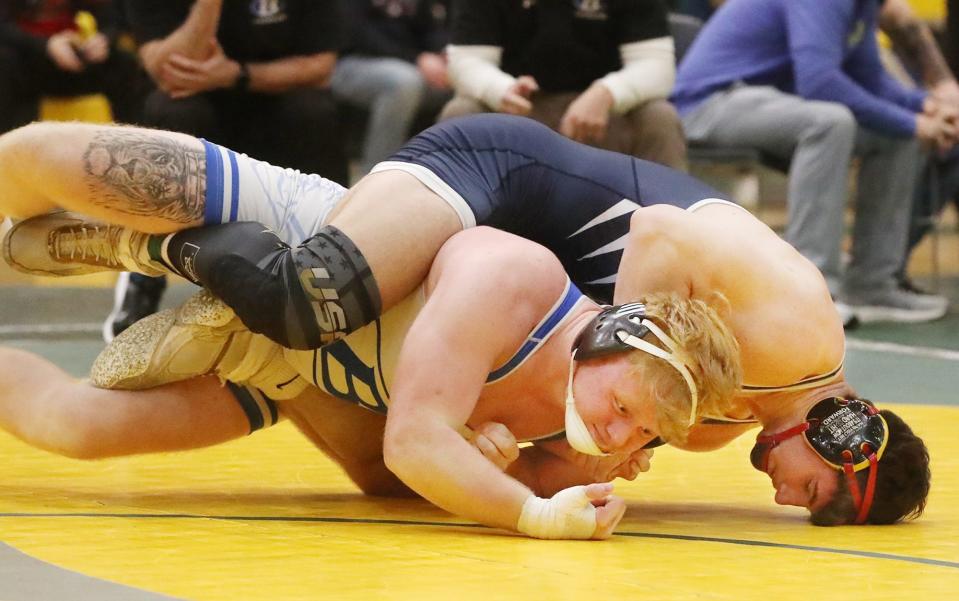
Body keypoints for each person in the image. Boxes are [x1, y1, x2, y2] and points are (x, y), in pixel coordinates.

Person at [0, 114, 930, 525]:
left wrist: (523, 458)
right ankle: (140, 250)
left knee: (386, 472)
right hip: (496, 178)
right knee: (312, 291)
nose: (779, 497)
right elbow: (653, 227)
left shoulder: (698, 422)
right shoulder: (799, 329)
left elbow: (496, 455)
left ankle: (256, 338)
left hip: (419, 320)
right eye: (808, 492)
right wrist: (612, 345)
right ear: (848, 433)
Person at [0, 225, 744, 539]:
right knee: (78, 422)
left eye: (643, 433)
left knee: (76, 425)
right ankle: (156, 243)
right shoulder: (523, 296)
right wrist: (538, 513)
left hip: (305, 379)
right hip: (297, 307)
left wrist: (565, 475)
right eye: (622, 411)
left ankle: (182, 261)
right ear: (607, 340)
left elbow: (458, 469)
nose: (621, 435)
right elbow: (417, 447)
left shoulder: (596, 410)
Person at [672, 0, 955, 324]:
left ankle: (872, 284)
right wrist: (913, 121)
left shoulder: (862, 5)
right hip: (707, 103)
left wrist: (926, 108)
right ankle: (806, 290)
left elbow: (872, 78)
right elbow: (818, 81)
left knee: (898, 134)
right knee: (831, 122)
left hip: (765, 102)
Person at [104, 0, 349, 341]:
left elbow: (321, 66)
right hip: (197, 109)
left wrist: (235, 75)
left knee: (314, 111)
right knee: (172, 113)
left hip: (267, 101)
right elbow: (168, 69)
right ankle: (143, 275)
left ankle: (333, 266)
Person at [439, 0, 686, 170]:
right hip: (516, 114)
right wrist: (501, 90)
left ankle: (673, 226)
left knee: (659, 116)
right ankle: (450, 230)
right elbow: (465, 60)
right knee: (461, 113)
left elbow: (657, 66)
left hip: (606, 116)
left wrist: (607, 93)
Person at [332, 0, 453, 175]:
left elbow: (430, 28)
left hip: (411, 65)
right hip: (350, 62)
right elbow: (357, 33)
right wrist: (416, 58)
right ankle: (375, 176)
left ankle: (440, 177)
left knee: (463, 79)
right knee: (403, 83)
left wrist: (443, 53)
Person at [0, 0, 147, 133]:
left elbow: (117, 18)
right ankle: (10, 145)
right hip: (27, 65)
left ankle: (134, 139)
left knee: (124, 62)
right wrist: (46, 45)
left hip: (80, 60)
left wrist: (104, 39)